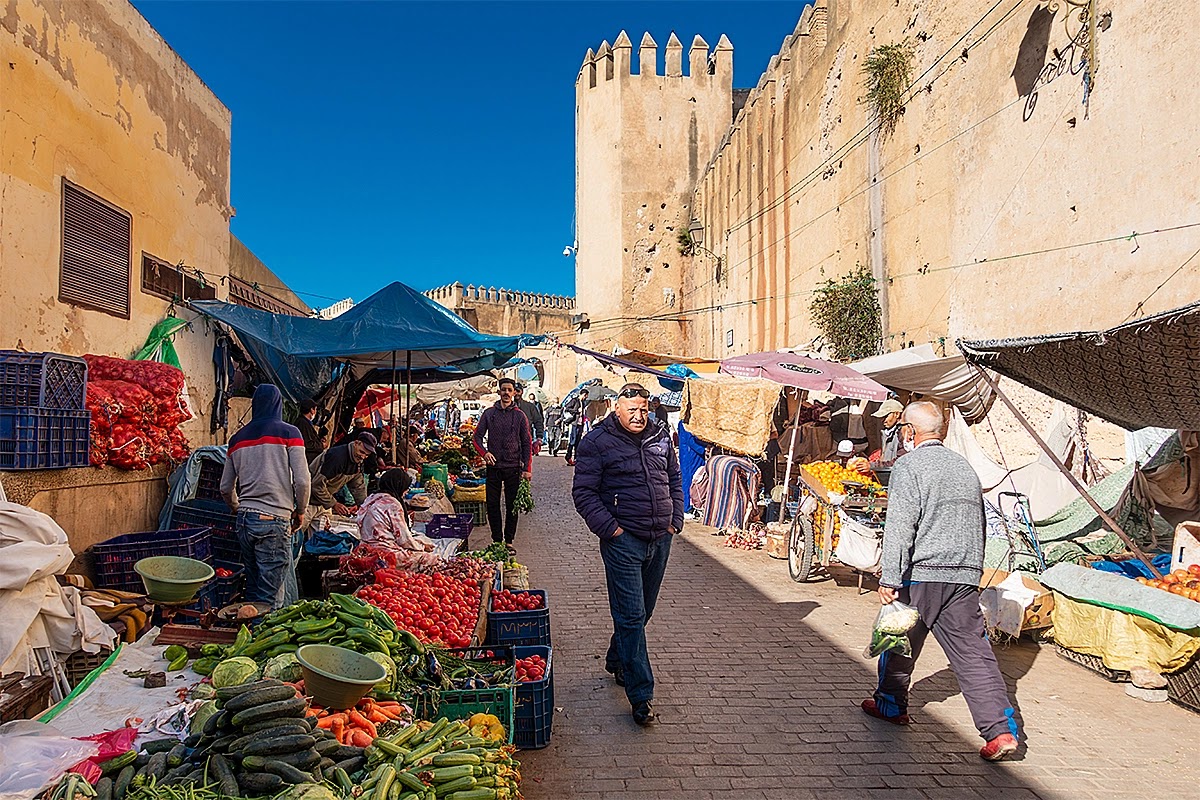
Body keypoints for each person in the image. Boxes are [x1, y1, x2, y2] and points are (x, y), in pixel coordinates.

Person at [864, 401, 1020, 761]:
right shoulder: (964, 468)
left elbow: (900, 526)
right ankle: (999, 732)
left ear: (908, 432)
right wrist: (972, 571)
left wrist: (889, 576)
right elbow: (979, 523)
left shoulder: (909, 466)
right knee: (975, 656)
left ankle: (890, 705)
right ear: (941, 431)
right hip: (963, 576)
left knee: (897, 641)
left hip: (921, 575)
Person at [572, 382, 683, 726]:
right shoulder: (597, 442)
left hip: (659, 539)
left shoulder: (661, 436)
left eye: (643, 409)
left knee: (642, 611)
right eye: (631, 409)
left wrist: (674, 520)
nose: (638, 415)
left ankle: (617, 658)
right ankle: (641, 696)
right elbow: (584, 493)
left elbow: (674, 479)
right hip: (624, 542)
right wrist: (612, 531)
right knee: (632, 616)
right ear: (615, 408)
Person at [220, 384, 311, 609]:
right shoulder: (290, 433)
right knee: (270, 597)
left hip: (244, 520)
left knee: (252, 588)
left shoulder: (236, 438)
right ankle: (263, 636)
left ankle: (249, 634)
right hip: (273, 519)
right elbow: (302, 481)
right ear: (279, 405)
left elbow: (224, 487)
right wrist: (300, 511)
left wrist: (236, 507)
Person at [472, 377, 533, 550]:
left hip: (513, 467)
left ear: (514, 393)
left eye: (509, 390)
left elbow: (527, 442)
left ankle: (509, 541)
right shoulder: (489, 414)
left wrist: (527, 469)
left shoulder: (520, 416)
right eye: (503, 389)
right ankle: (497, 540)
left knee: (512, 506)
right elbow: (476, 437)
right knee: (492, 504)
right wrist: (484, 453)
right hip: (493, 468)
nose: (506, 393)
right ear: (499, 392)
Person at [357, 469, 441, 569]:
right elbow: (404, 540)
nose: (406, 492)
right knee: (431, 559)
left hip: (365, 551)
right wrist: (422, 547)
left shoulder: (371, 498)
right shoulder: (392, 504)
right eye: (406, 488)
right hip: (383, 554)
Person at [308, 431, 375, 527]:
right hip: (308, 501)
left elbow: (358, 488)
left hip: (323, 503)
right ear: (356, 443)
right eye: (361, 452)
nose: (363, 457)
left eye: (366, 455)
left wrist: (363, 508)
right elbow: (316, 485)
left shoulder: (358, 463)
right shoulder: (337, 457)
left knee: (322, 536)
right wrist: (334, 504)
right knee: (297, 534)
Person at [872, 398, 907, 466]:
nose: (883, 420)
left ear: (897, 414)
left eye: (885, 416)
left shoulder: (903, 433)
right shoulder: (886, 432)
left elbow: (901, 461)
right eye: (881, 417)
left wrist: (874, 465)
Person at [563, 388, 590, 465]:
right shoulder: (575, 400)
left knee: (578, 442)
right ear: (583, 395)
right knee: (572, 441)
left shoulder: (583, 403)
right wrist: (576, 411)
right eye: (586, 396)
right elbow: (567, 408)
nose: (586, 398)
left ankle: (576, 458)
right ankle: (568, 456)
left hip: (580, 424)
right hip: (574, 423)